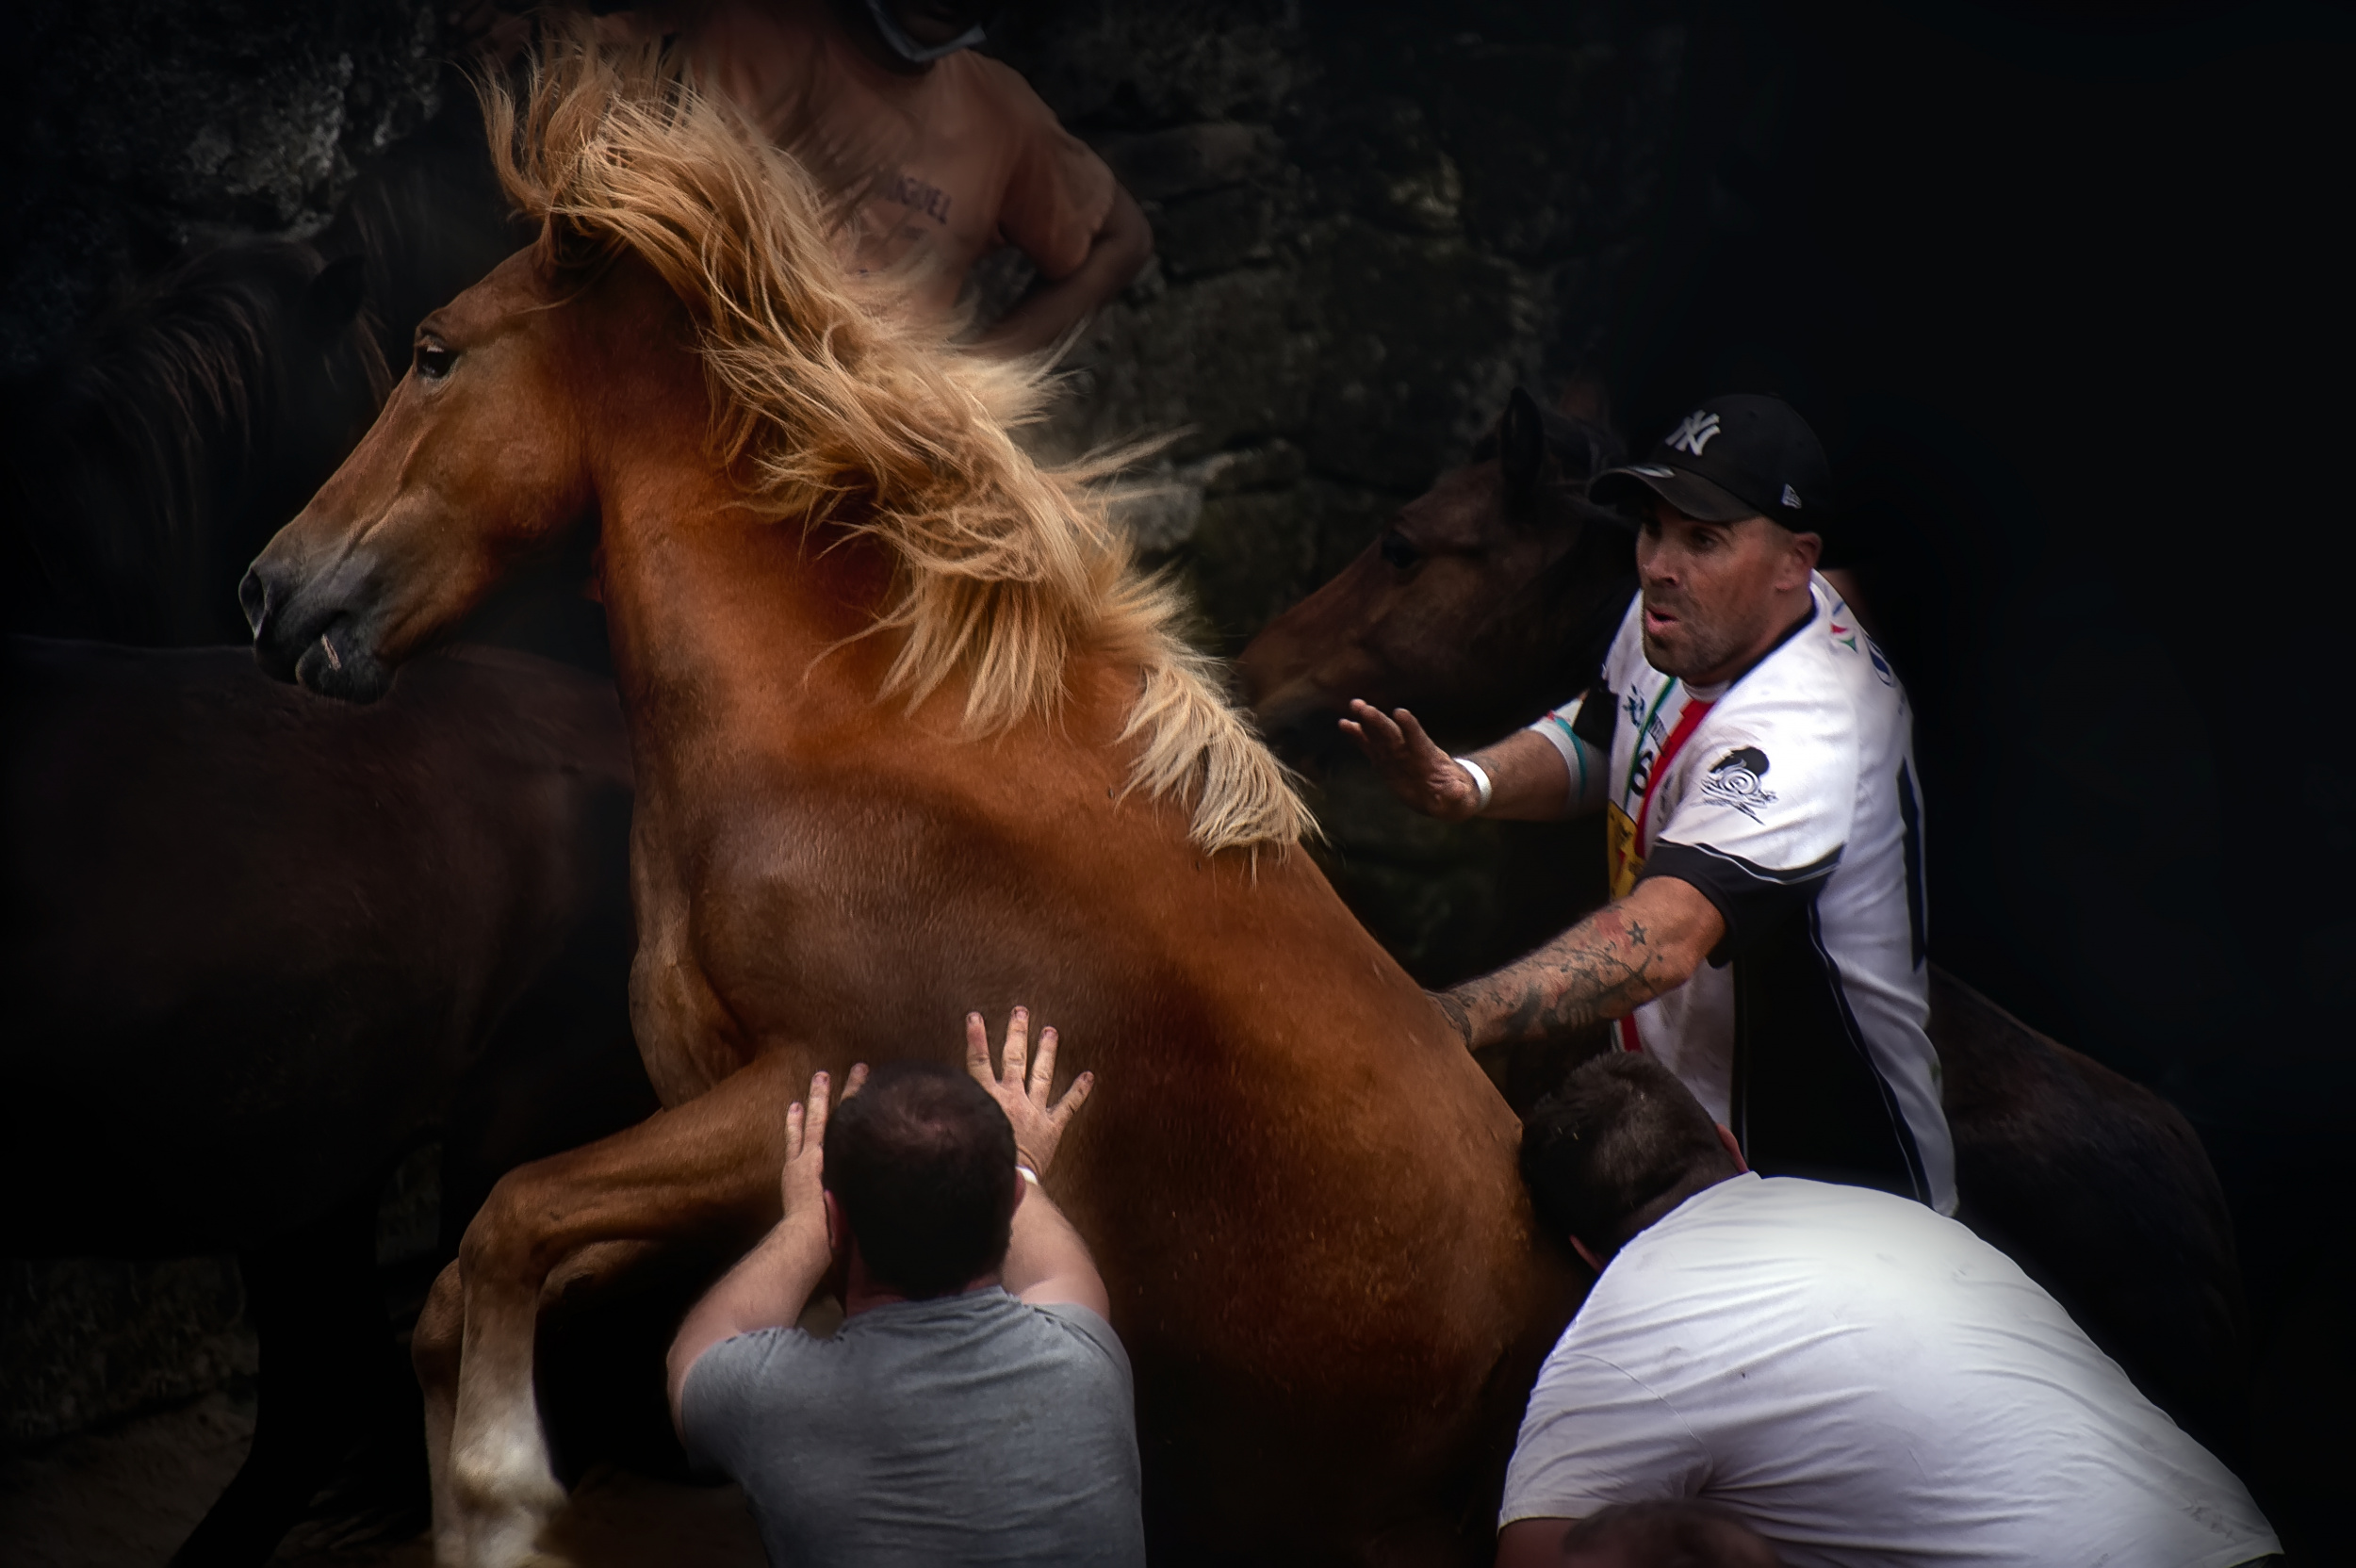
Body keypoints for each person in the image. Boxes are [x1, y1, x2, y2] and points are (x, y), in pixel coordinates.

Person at [1344, 394, 1952, 1212]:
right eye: (1653, 528)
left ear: (1794, 563)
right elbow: (1605, 732)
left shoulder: (1809, 729)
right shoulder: (1683, 617)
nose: (1660, 564)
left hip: (1829, 1193)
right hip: (1688, 1135)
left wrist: (1455, 1017)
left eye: (1703, 539)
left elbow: (1664, 937)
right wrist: (1470, 783)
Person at [1496, 1052, 2281, 1568]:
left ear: (1583, 1251)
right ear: (1731, 1149)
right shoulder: (1894, 1218)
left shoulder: (1617, 1338)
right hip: (2237, 1541)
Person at [665, 1007, 1147, 1567]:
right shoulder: (1086, 1357)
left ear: (835, 1220)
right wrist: (1023, 1161)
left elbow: (694, 1352)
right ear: (1013, 1203)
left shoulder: (769, 1400)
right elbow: (1056, 1271)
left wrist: (803, 1225)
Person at [621, 0, 1154, 353]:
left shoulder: (1002, 115)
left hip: (864, 448)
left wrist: (975, 382)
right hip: (703, 396)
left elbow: (1121, 240)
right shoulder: (733, 26)